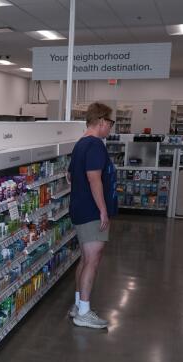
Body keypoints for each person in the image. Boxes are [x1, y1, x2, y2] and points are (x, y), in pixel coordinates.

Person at [67, 102, 118, 329]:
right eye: (110, 123)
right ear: (101, 121)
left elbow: (70, 176)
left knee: (85, 259)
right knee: (93, 260)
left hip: (79, 208)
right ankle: (84, 313)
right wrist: (103, 210)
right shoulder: (96, 145)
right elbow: (94, 178)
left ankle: (79, 305)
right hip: (91, 211)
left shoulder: (80, 144)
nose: (110, 128)